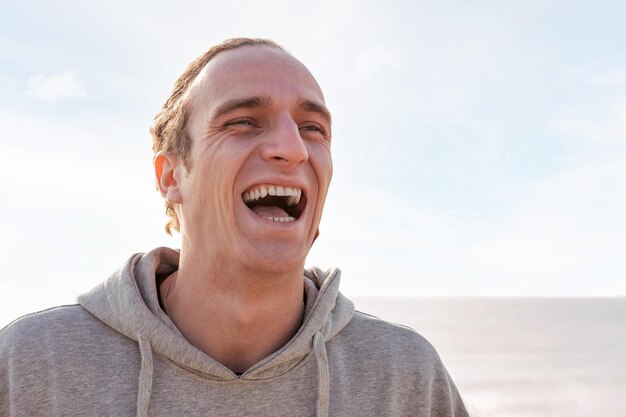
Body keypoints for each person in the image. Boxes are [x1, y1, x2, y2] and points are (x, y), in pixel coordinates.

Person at [0, 38, 469, 417]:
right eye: (243, 121)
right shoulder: (32, 366)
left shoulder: (406, 376)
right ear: (170, 177)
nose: (293, 148)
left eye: (313, 129)